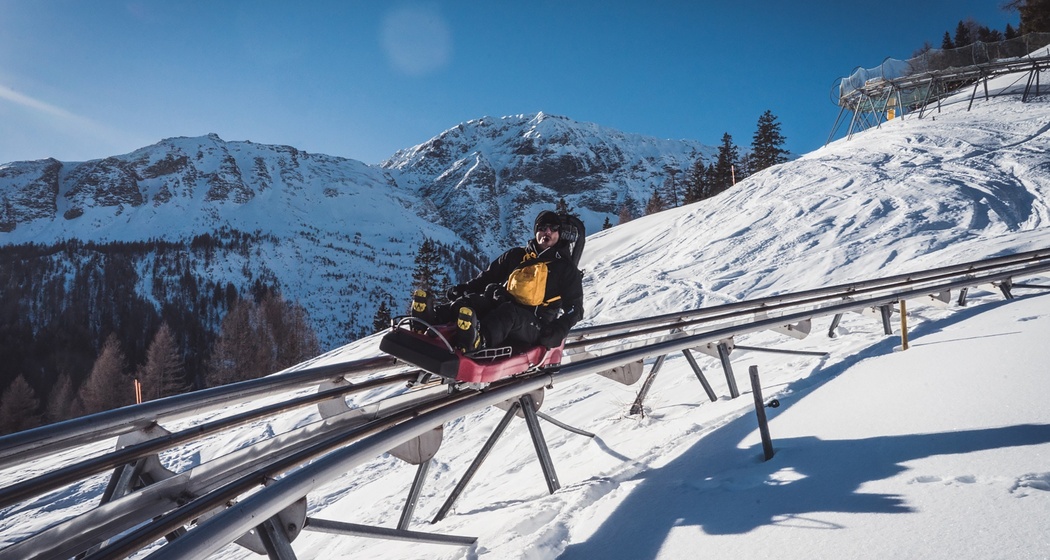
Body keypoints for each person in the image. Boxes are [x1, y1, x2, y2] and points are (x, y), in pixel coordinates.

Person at [413, 210, 585, 353]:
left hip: (536, 325)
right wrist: (463, 289)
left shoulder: (565, 269)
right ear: (536, 231)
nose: (547, 232)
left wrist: (558, 330)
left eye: (553, 228)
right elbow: (487, 277)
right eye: (542, 227)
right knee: (473, 302)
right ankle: (430, 320)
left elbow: (575, 309)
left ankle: (479, 341)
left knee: (508, 313)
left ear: (558, 234)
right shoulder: (517, 255)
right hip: (506, 308)